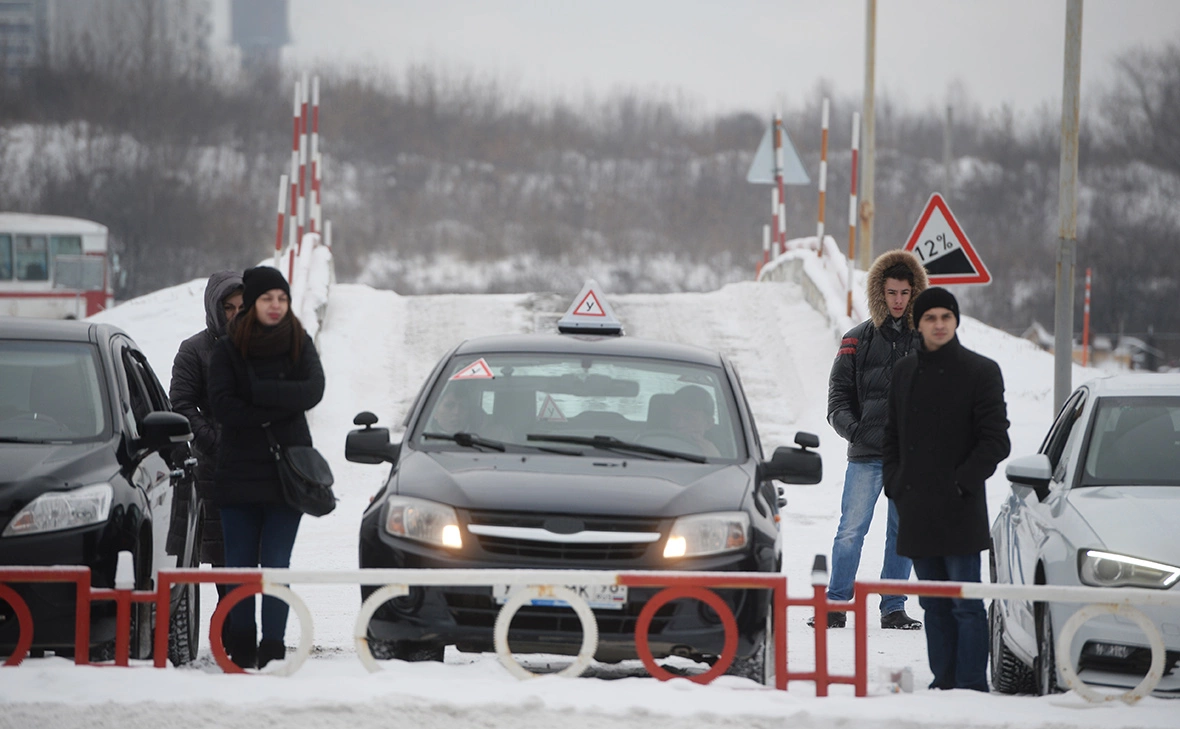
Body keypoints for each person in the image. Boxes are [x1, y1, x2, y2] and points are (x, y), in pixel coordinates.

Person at [884, 287, 1010, 691]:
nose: (939, 324)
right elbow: (891, 437)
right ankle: (944, 681)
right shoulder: (903, 371)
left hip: (959, 508)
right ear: (918, 324)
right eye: (930, 318)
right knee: (933, 605)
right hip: (916, 507)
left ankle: (971, 685)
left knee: (965, 605)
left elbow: (995, 441)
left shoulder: (980, 371)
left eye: (946, 317)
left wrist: (962, 482)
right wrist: (896, 484)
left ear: (956, 321)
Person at [208, 266, 325, 670]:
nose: (276, 306)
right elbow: (222, 405)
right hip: (238, 475)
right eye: (267, 299)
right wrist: (280, 408)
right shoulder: (228, 348)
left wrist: (259, 396)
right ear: (252, 304)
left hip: (285, 476)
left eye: (282, 298)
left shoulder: (298, 340)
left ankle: (273, 652)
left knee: (277, 566)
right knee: (240, 568)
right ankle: (241, 651)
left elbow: (313, 390)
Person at [816, 249, 927, 630]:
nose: (898, 300)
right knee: (851, 530)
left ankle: (893, 607)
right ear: (881, 293)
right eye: (892, 293)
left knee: (902, 534)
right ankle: (835, 604)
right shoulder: (856, 339)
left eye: (904, 293)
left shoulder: (926, 340)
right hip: (866, 454)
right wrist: (856, 430)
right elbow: (837, 397)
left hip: (909, 459)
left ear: (914, 294)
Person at [166, 271, 243, 633]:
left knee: (248, 561)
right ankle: (221, 630)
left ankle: (238, 631)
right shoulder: (194, 350)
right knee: (219, 557)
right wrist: (212, 440)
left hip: (256, 468)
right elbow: (180, 404)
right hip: (210, 471)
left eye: (243, 306)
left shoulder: (262, 349)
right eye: (228, 307)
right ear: (215, 309)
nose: (236, 314)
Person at [668, 385, 721, 457]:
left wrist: (713, 457)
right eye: (674, 417)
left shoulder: (723, 457)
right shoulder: (651, 446)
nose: (679, 425)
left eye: (689, 418)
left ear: (708, 423)